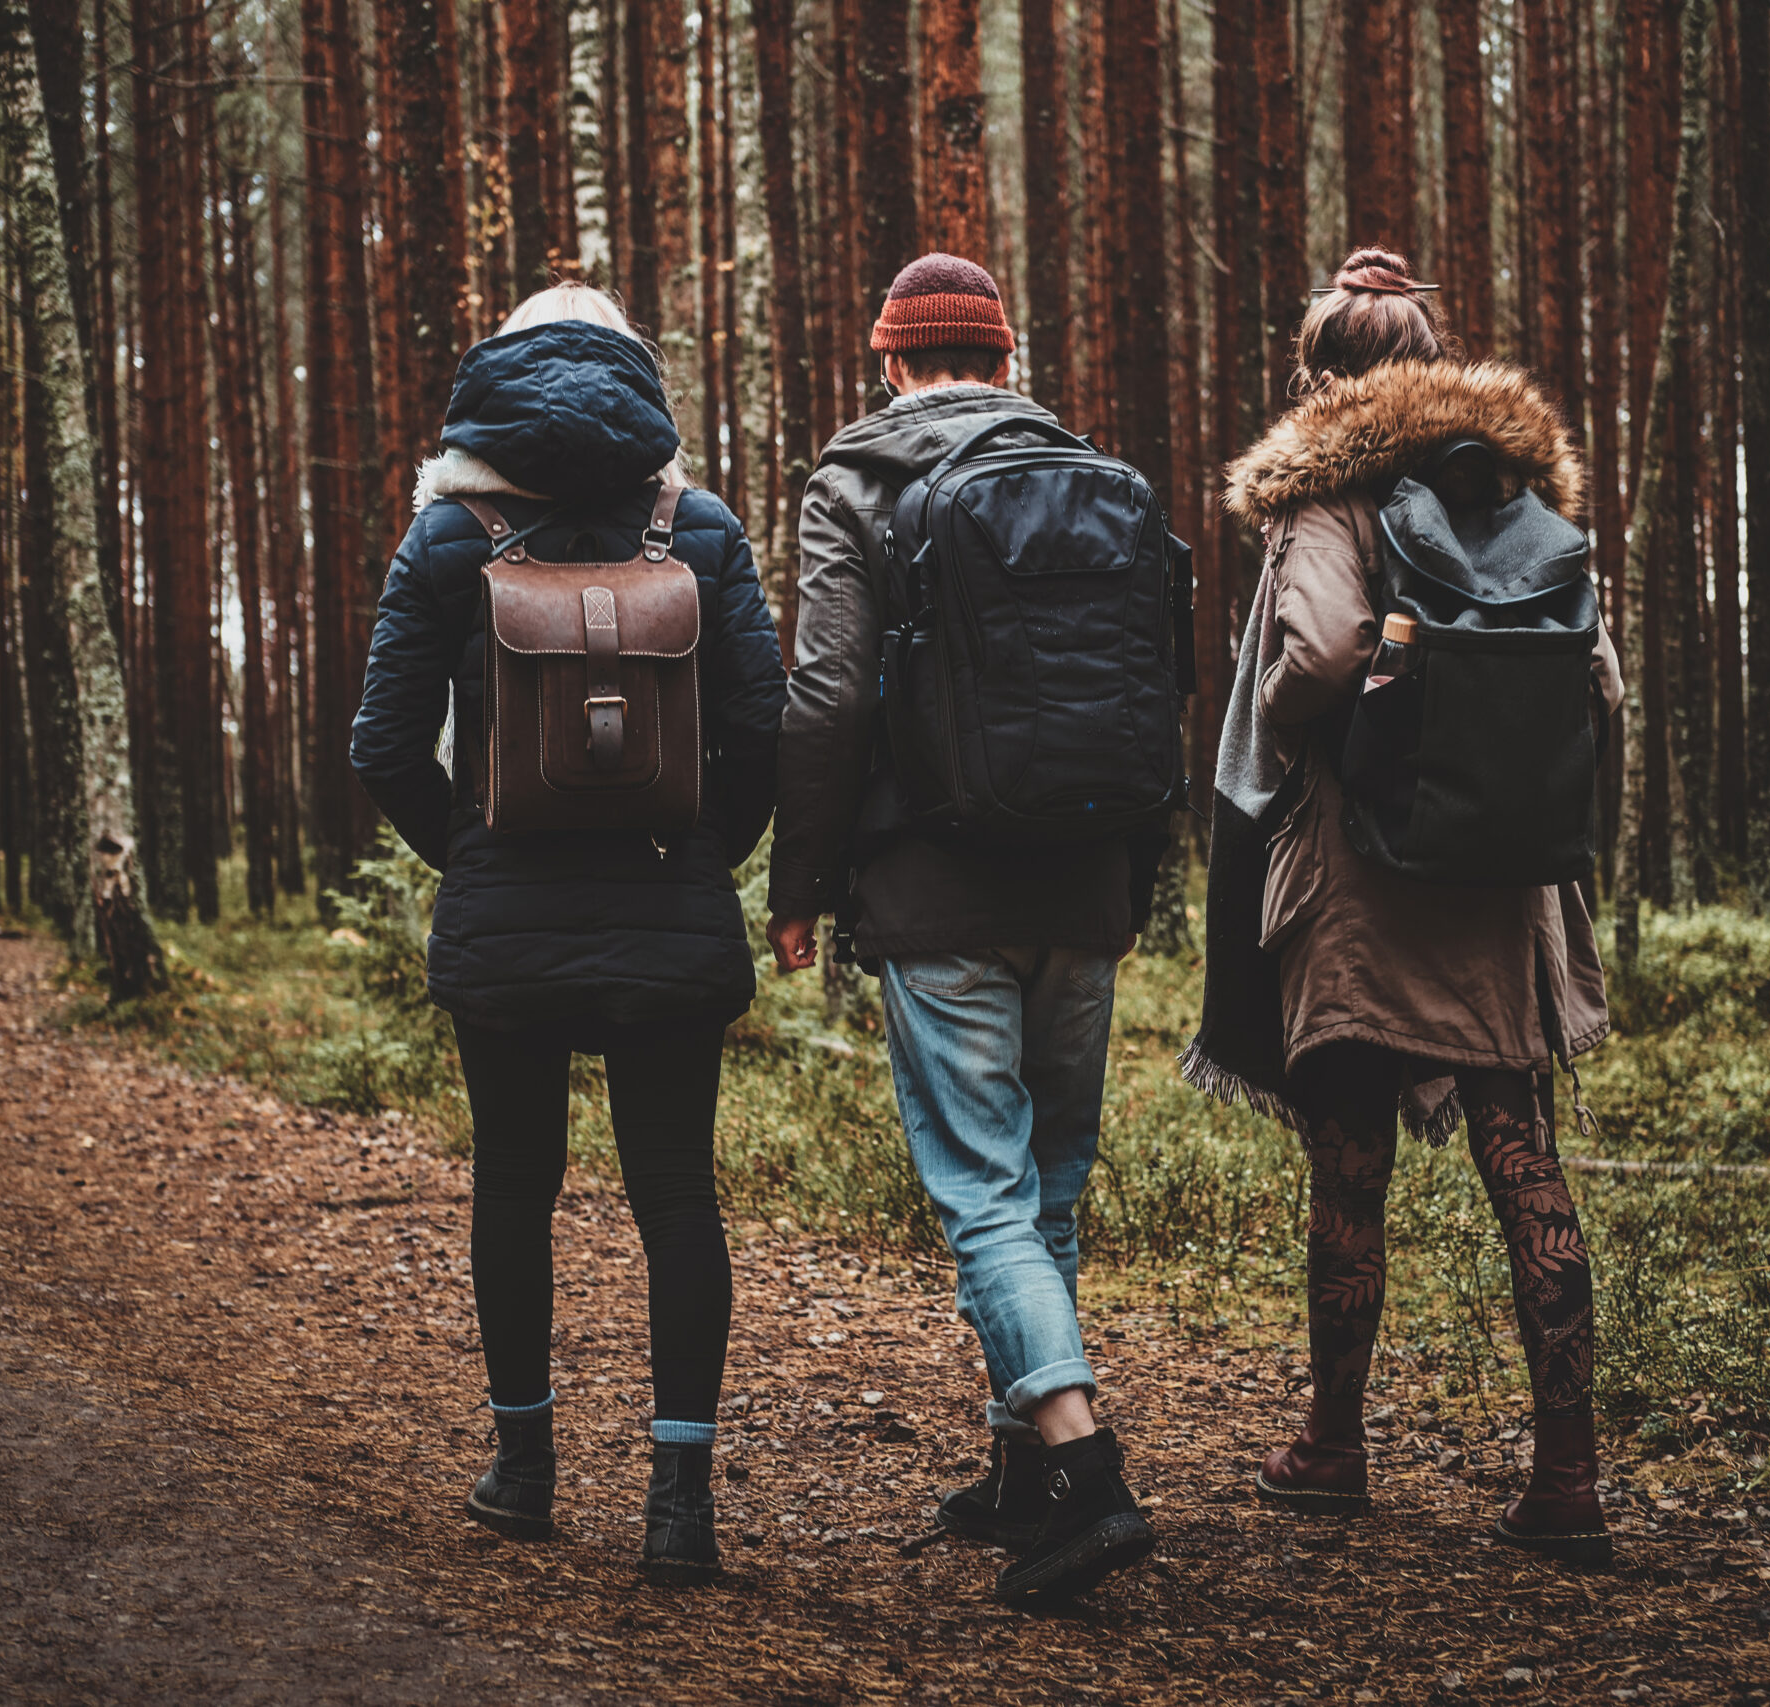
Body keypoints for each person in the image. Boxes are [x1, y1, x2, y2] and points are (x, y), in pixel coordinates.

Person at [1185, 249, 1624, 1567]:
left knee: (1350, 1158)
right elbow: (1599, 683)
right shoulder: (1517, 496)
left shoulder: (1331, 498)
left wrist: (1286, 708)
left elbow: (1315, 651)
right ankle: (1569, 1466)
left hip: (1364, 882)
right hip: (1501, 886)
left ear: (1324, 370)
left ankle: (1333, 1440)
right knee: (1522, 1149)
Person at [350, 285, 784, 1585]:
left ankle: (524, 1471)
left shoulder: (446, 534)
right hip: (671, 906)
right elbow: (764, 732)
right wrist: (704, 853)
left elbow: (383, 748)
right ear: (638, 381)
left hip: (507, 922)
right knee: (677, 1192)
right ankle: (681, 1503)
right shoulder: (696, 526)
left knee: (515, 1184)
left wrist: (475, 850)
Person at [766, 253, 1163, 1604]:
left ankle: (1088, 1466)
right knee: (1048, 1181)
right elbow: (1150, 688)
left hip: (937, 888)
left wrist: (799, 885)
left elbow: (823, 697)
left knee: (983, 1193)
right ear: (1007, 356)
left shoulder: (855, 483)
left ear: (891, 362)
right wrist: (1134, 883)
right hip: (1087, 883)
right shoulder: (1098, 481)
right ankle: (1021, 1475)